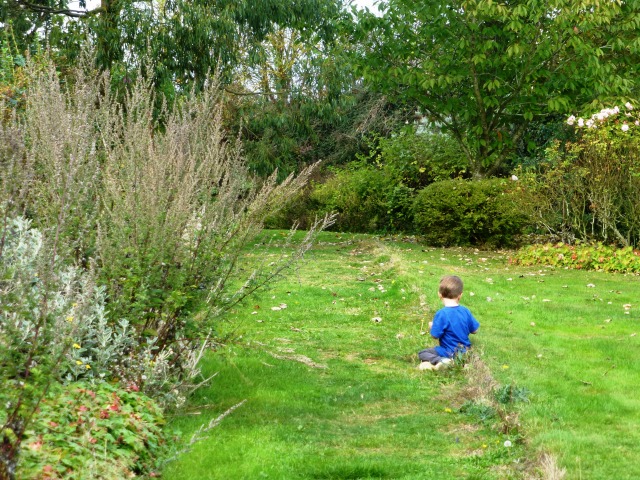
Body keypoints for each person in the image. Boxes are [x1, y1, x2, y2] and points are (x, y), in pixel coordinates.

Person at [418, 275, 479, 370]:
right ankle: (461, 361)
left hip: (447, 351)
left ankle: (443, 361)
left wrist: (432, 326)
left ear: (439, 294)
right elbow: (475, 330)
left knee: (422, 353)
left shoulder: (441, 314)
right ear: (460, 295)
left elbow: (435, 335)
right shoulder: (465, 311)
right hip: (464, 351)